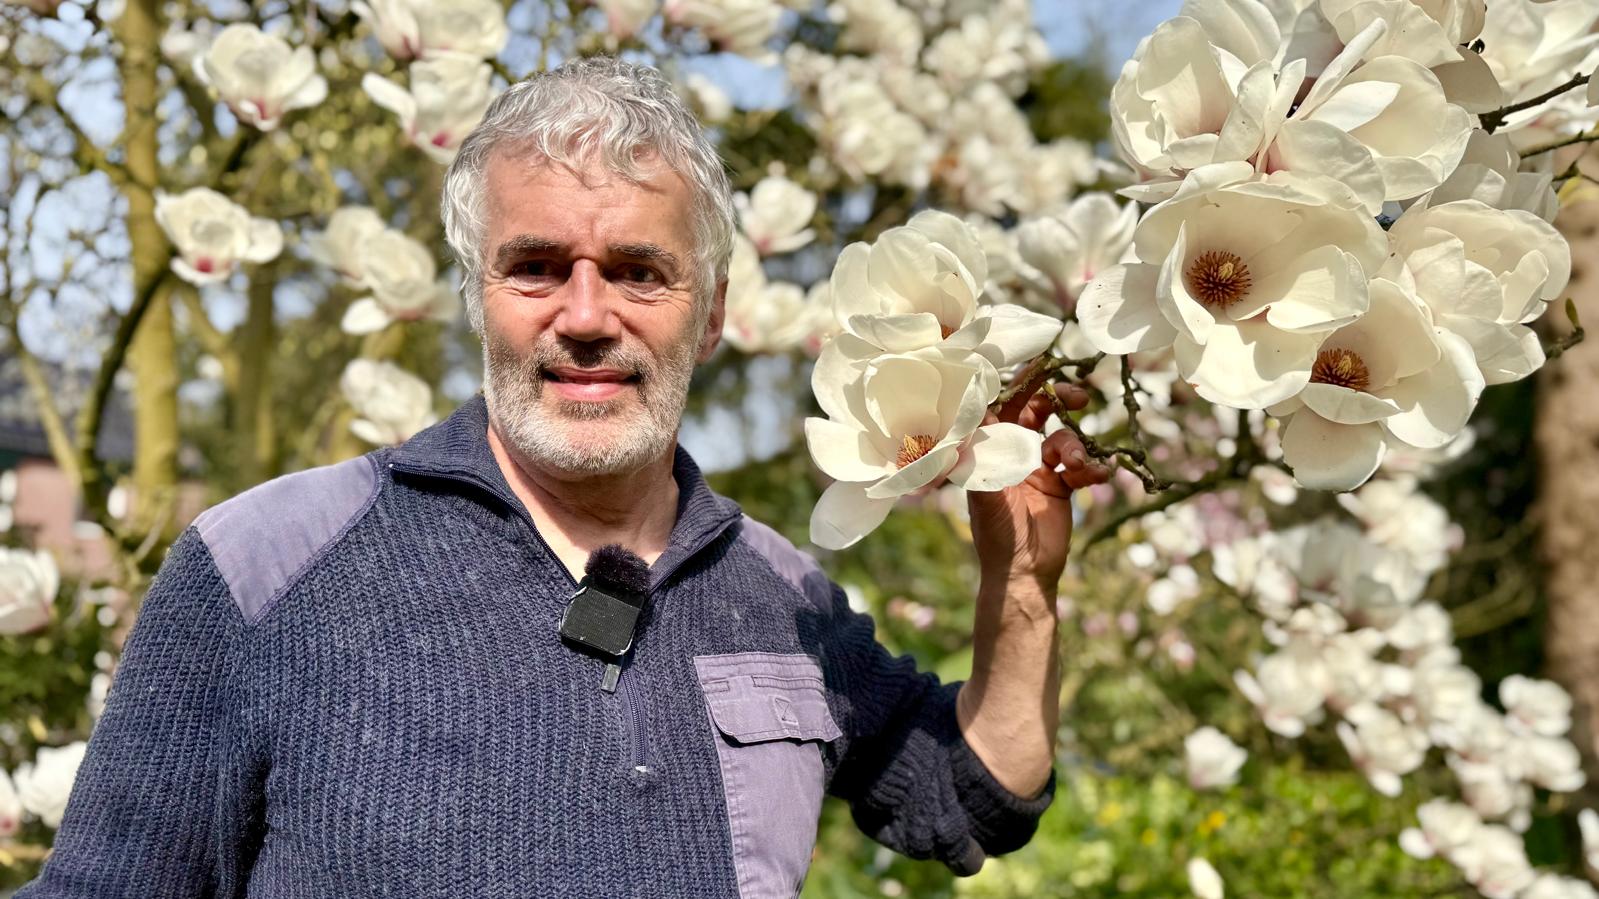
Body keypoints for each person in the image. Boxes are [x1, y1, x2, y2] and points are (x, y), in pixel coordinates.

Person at [18, 57, 1109, 898]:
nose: (587, 316)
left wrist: (1021, 585)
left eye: (641, 271)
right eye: (536, 266)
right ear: (474, 293)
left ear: (714, 311)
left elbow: (970, 803)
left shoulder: (780, 594)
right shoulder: (262, 568)